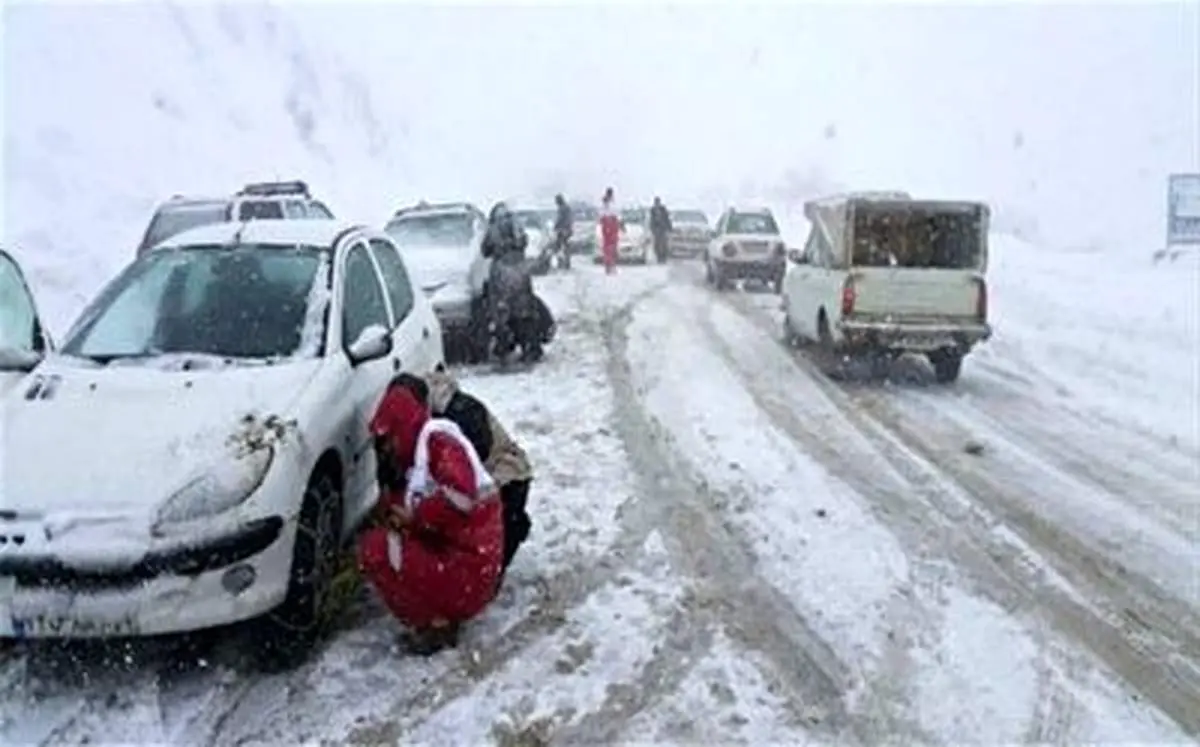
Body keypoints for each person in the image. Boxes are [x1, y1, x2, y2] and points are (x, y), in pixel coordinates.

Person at [357, 381, 504, 656]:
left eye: (391, 439)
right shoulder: (425, 454)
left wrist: (413, 516)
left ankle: (433, 623)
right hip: (472, 567)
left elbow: (460, 496)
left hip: (468, 568)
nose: (388, 448)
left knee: (376, 550)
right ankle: (440, 615)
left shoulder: (438, 442)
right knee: (389, 543)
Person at [392, 369, 534, 584]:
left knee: (481, 572)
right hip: (484, 481)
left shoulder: (462, 414)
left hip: (506, 476)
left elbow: (469, 477)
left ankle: (511, 530)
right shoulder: (419, 415)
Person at [598, 187, 620, 275]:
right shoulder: (606, 203)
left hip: (610, 224)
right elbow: (605, 215)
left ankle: (610, 265)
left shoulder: (608, 203)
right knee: (610, 246)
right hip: (609, 224)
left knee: (610, 246)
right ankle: (609, 265)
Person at [649, 197, 673, 264]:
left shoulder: (663, 209)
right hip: (656, 229)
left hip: (663, 229)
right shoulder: (652, 210)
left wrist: (669, 228)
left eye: (658, 202)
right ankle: (659, 257)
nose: (657, 203)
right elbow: (651, 220)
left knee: (664, 244)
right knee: (657, 244)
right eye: (656, 202)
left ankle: (664, 257)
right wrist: (652, 228)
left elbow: (667, 219)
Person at [553, 194, 573, 270]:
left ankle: (561, 262)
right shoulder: (567, 208)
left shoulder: (562, 209)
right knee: (565, 247)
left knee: (558, 247)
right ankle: (566, 262)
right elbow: (570, 219)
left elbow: (560, 219)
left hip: (563, 230)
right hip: (567, 230)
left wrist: (556, 226)